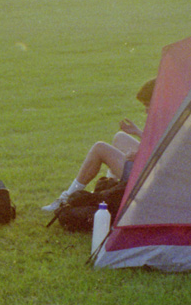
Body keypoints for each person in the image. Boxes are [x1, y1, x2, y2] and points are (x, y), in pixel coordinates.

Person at [41, 79, 155, 212]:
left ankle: (66, 199)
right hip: (154, 170)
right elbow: (160, 145)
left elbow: (164, 155)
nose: (146, 111)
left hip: (150, 179)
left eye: (148, 105)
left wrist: (140, 156)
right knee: (120, 137)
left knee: (99, 148)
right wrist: (138, 132)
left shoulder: (165, 118)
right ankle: (111, 190)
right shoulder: (172, 115)